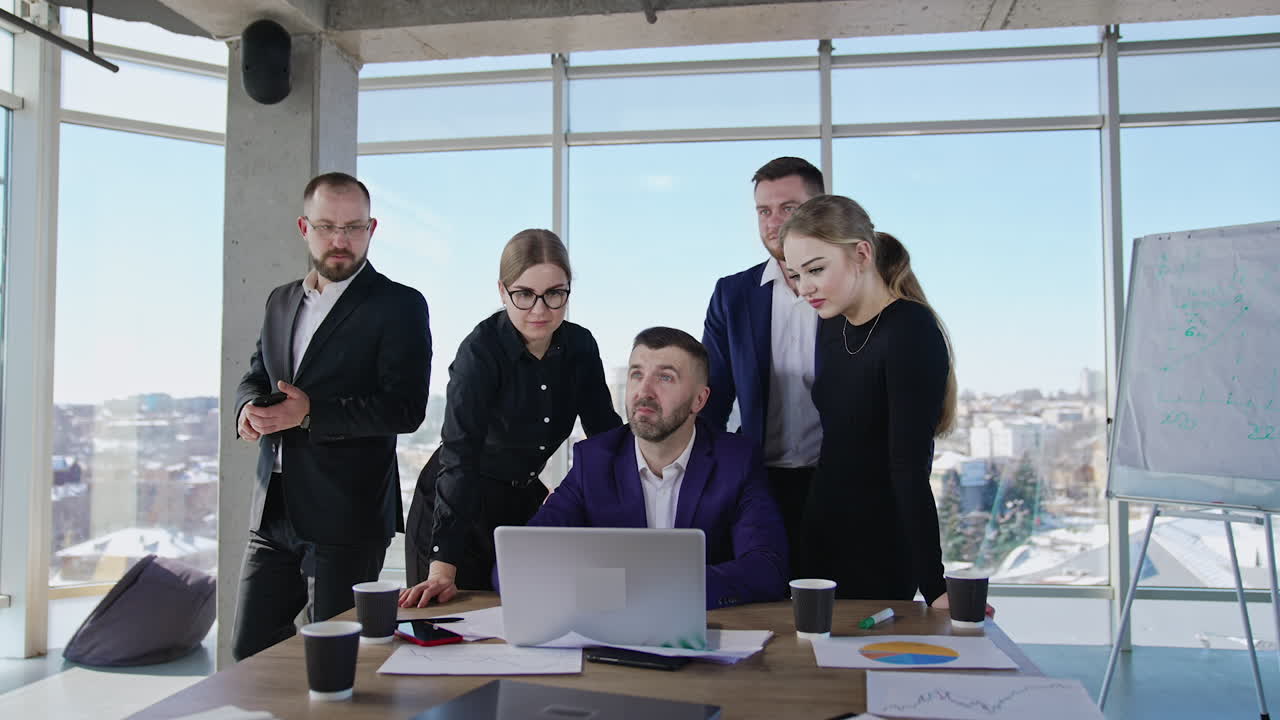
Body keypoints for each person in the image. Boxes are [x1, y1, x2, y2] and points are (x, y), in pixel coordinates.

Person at [231, 172, 431, 660]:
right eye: (326, 226)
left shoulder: (399, 305)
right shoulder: (281, 300)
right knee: (250, 655)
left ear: (372, 228)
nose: (340, 240)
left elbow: (405, 408)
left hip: (348, 516)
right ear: (304, 227)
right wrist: (246, 410)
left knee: (339, 663)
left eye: (353, 227)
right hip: (273, 510)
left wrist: (310, 414)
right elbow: (257, 375)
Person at [401, 229, 622, 608]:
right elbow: (460, 456)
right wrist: (442, 567)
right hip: (457, 506)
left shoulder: (580, 346)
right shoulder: (480, 351)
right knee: (450, 631)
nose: (540, 309)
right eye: (524, 294)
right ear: (503, 292)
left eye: (555, 293)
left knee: (527, 622)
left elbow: (605, 434)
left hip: (522, 504)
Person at [508, 327, 790, 610]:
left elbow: (768, 568)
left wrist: (658, 586)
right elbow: (519, 563)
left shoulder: (737, 461)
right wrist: (604, 589)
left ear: (699, 400)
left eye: (665, 377)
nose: (644, 391)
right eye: (636, 374)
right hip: (612, 635)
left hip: (707, 632)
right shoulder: (593, 461)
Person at [780, 193, 956, 607]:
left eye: (816, 270)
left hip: (880, 548)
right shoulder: (830, 324)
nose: (806, 289)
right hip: (820, 535)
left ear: (861, 253)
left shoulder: (911, 330)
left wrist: (936, 586)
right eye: (796, 275)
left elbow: (909, 468)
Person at [701, 157, 833, 566]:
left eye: (788, 208)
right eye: (764, 210)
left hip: (837, 485)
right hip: (758, 484)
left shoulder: (848, 293)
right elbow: (711, 400)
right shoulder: (732, 295)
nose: (774, 222)